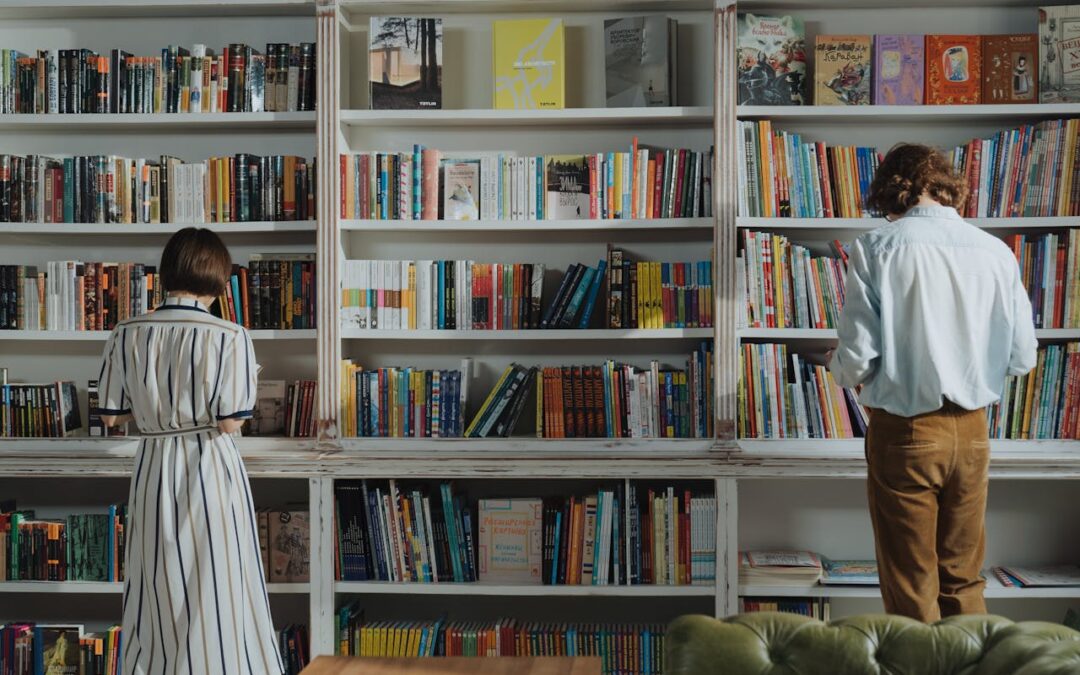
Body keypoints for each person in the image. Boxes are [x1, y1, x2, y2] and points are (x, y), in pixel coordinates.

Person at [828, 143, 1037, 623]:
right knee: (964, 575)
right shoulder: (995, 251)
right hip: (973, 432)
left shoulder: (876, 248)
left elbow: (857, 358)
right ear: (946, 186)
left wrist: (837, 367)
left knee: (911, 582)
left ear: (890, 191)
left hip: (906, 431)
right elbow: (1023, 355)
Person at [96, 228, 284, 675]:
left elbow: (111, 415)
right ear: (218, 278)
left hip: (153, 466)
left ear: (167, 272)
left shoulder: (126, 332)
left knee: (155, 587)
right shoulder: (230, 335)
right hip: (207, 464)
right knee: (216, 586)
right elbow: (230, 419)